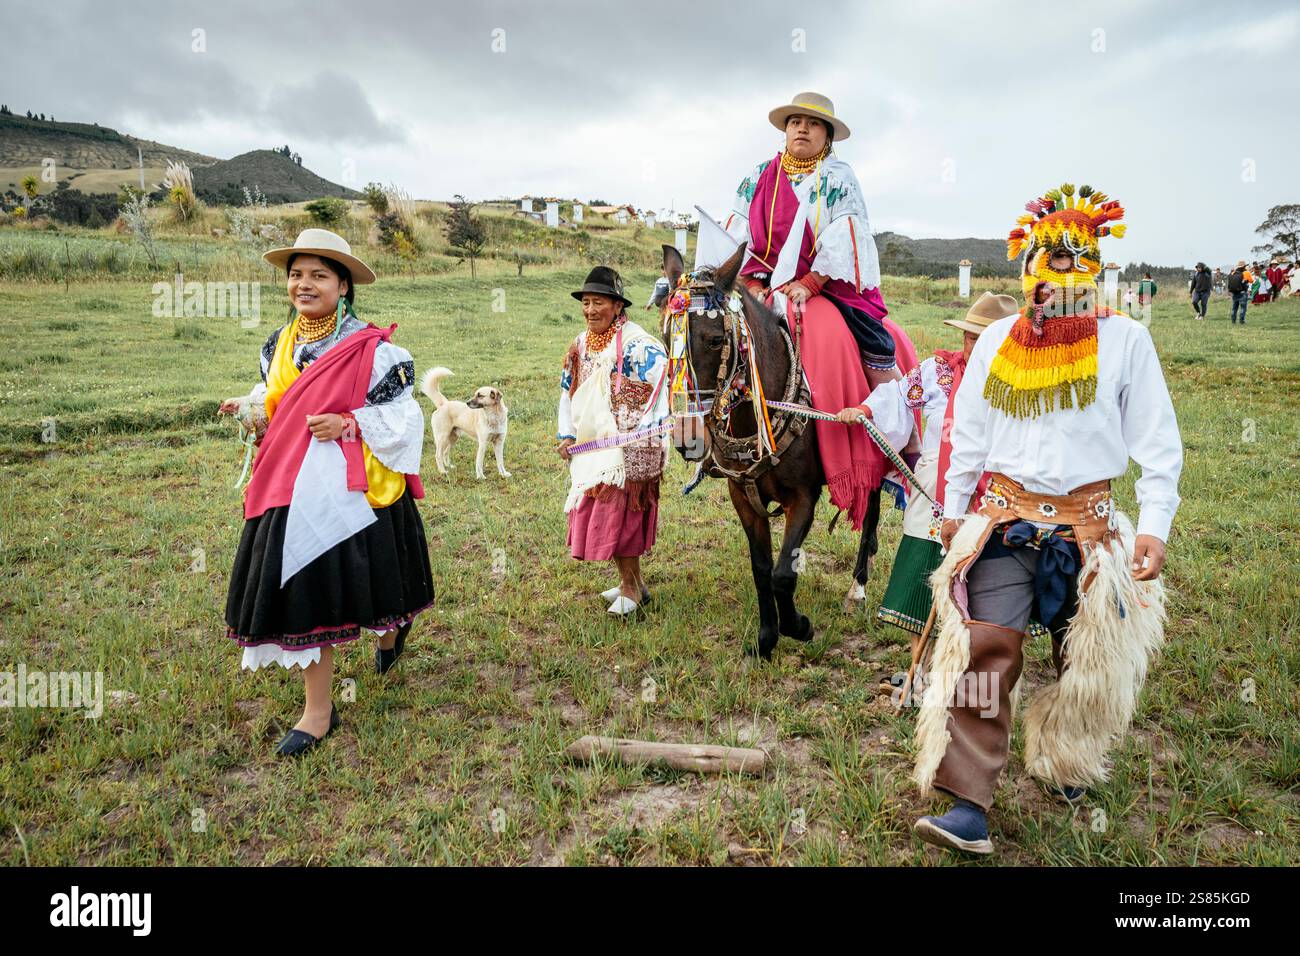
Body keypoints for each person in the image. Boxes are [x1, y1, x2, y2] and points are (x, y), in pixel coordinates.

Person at [910, 183, 1183, 855]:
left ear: (1094, 262)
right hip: (1003, 521)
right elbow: (967, 433)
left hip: (1088, 531)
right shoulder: (998, 340)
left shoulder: (1126, 343)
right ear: (1028, 263)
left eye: (1074, 257)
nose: (1061, 269)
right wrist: (952, 510)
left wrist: (1154, 525)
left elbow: (1157, 441)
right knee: (984, 649)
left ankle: (1067, 761)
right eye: (1048, 257)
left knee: (1084, 661)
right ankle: (968, 799)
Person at [223, 229, 435, 757]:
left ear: (344, 285)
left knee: (380, 583)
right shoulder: (277, 344)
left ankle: (390, 634)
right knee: (310, 585)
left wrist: (348, 422)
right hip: (292, 485)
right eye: (297, 274)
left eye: (319, 274)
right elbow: (276, 402)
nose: (304, 284)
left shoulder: (377, 349)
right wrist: (249, 410)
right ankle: (319, 711)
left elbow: (404, 417)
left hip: (353, 484)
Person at [717, 91, 919, 530]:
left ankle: (897, 427)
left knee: (867, 336)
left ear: (828, 135)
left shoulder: (838, 177)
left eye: (812, 123)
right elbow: (737, 232)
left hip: (824, 285)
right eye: (794, 122)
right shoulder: (756, 177)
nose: (801, 129)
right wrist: (750, 282)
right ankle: (712, 442)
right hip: (762, 285)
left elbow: (845, 234)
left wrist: (810, 283)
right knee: (716, 341)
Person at [836, 292, 1018, 638]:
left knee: (980, 587)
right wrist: (865, 411)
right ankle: (918, 667)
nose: (971, 344)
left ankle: (968, 656)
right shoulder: (937, 373)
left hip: (991, 496)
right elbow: (899, 394)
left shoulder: (1016, 385)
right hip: (934, 491)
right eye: (968, 335)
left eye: (981, 339)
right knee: (921, 580)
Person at [558, 266, 669, 616]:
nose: (591, 310)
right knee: (603, 513)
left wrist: (639, 427)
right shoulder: (580, 344)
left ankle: (632, 588)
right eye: (586, 303)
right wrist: (566, 433)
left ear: (618, 306)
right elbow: (567, 390)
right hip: (594, 445)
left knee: (620, 516)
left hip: (628, 448)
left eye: (599, 303)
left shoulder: (640, 345)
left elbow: (662, 382)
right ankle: (631, 583)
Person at [1228, 260, 1250, 324]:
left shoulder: (1233, 273)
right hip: (1242, 293)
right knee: (1243, 308)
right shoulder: (1245, 273)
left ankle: (1233, 320)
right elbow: (1248, 281)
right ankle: (1241, 320)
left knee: (1234, 308)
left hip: (1234, 293)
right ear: (1244, 267)